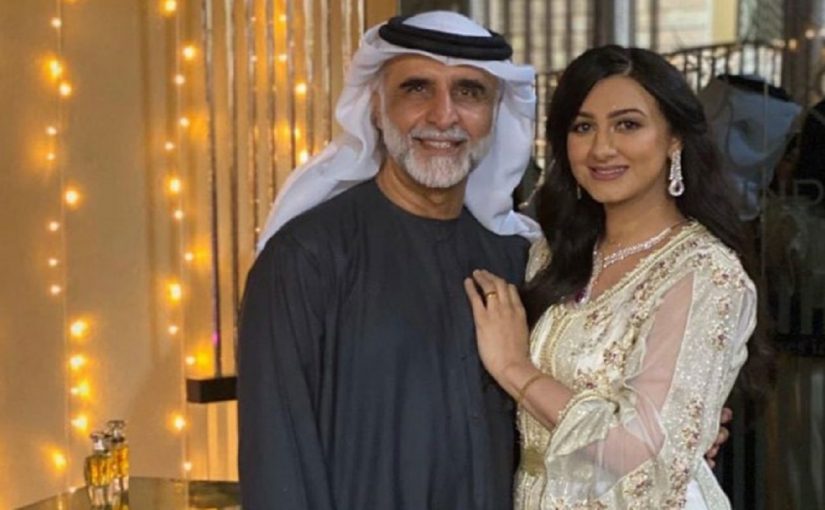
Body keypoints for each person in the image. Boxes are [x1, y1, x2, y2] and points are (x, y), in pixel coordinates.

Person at [236, 11, 540, 510]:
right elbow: (277, 460)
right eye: (417, 88)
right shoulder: (306, 258)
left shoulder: (515, 257)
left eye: (469, 92)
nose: (443, 116)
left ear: (494, 112)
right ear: (376, 107)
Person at [464, 45, 764, 509]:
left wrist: (514, 368)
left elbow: (642, 450)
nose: (602, 148)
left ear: (674, 138)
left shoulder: (704, 272)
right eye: (583, 127)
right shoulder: (550, 252)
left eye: (628, 124)